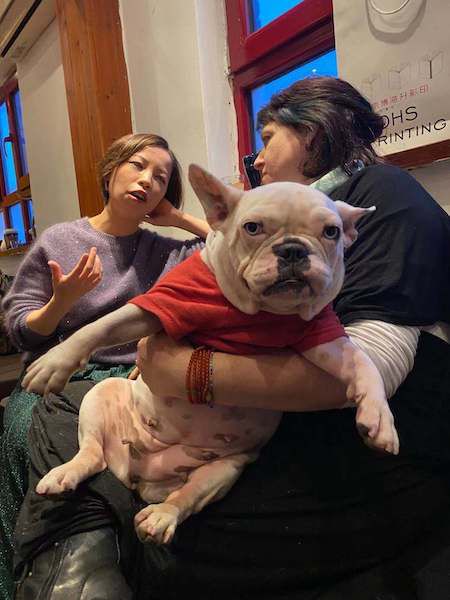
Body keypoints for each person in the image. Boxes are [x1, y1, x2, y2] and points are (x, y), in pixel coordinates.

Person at [13, 77, 450, 599]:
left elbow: (373, 361)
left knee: (84, 436)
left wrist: (184, 370)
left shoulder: (380, 193)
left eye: (266, 138)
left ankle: (78, 557)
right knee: (62, 407)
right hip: (259, 413)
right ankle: (77, 559)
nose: (257, 159)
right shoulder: (311, 207)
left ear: (309, 132)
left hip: (359, 438)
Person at [0, 132, 210, 600]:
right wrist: (61, 302)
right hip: (59, 377)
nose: (148, 181)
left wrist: (177, 217)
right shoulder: (61, 239)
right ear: (111, 169)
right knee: (21, 433)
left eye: (161, 177)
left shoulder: (165, 251)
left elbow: (228, 243)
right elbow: (21, 331)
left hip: (134, 377)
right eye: (137, 166)